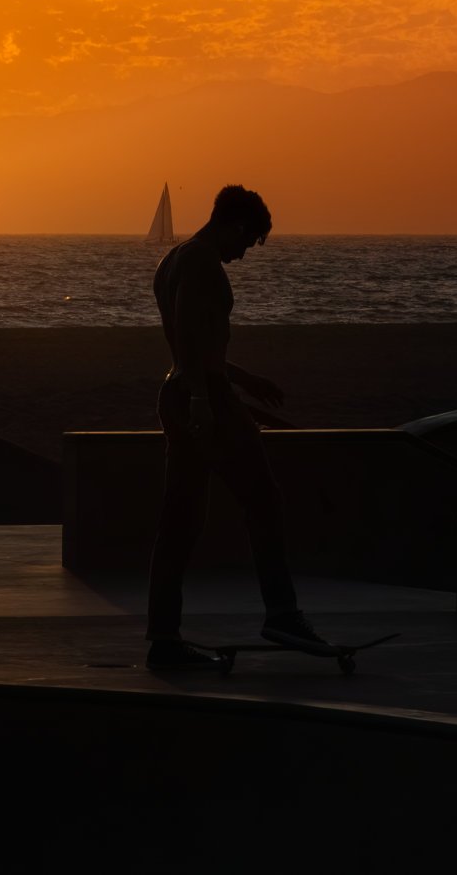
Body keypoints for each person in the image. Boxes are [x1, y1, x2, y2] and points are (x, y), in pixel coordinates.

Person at [144, 184, 325, 671]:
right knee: (264, 501)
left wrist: (244, 377)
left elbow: (198, 346)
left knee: (179, 523)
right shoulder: (203, 261)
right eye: (248, 243)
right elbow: (185, 332)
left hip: (181, 394)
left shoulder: (173, 259)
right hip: (205, 401)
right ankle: (283, 614)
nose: (245, 254)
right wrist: (207, 399)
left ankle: (163, 639)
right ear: (236, 226)